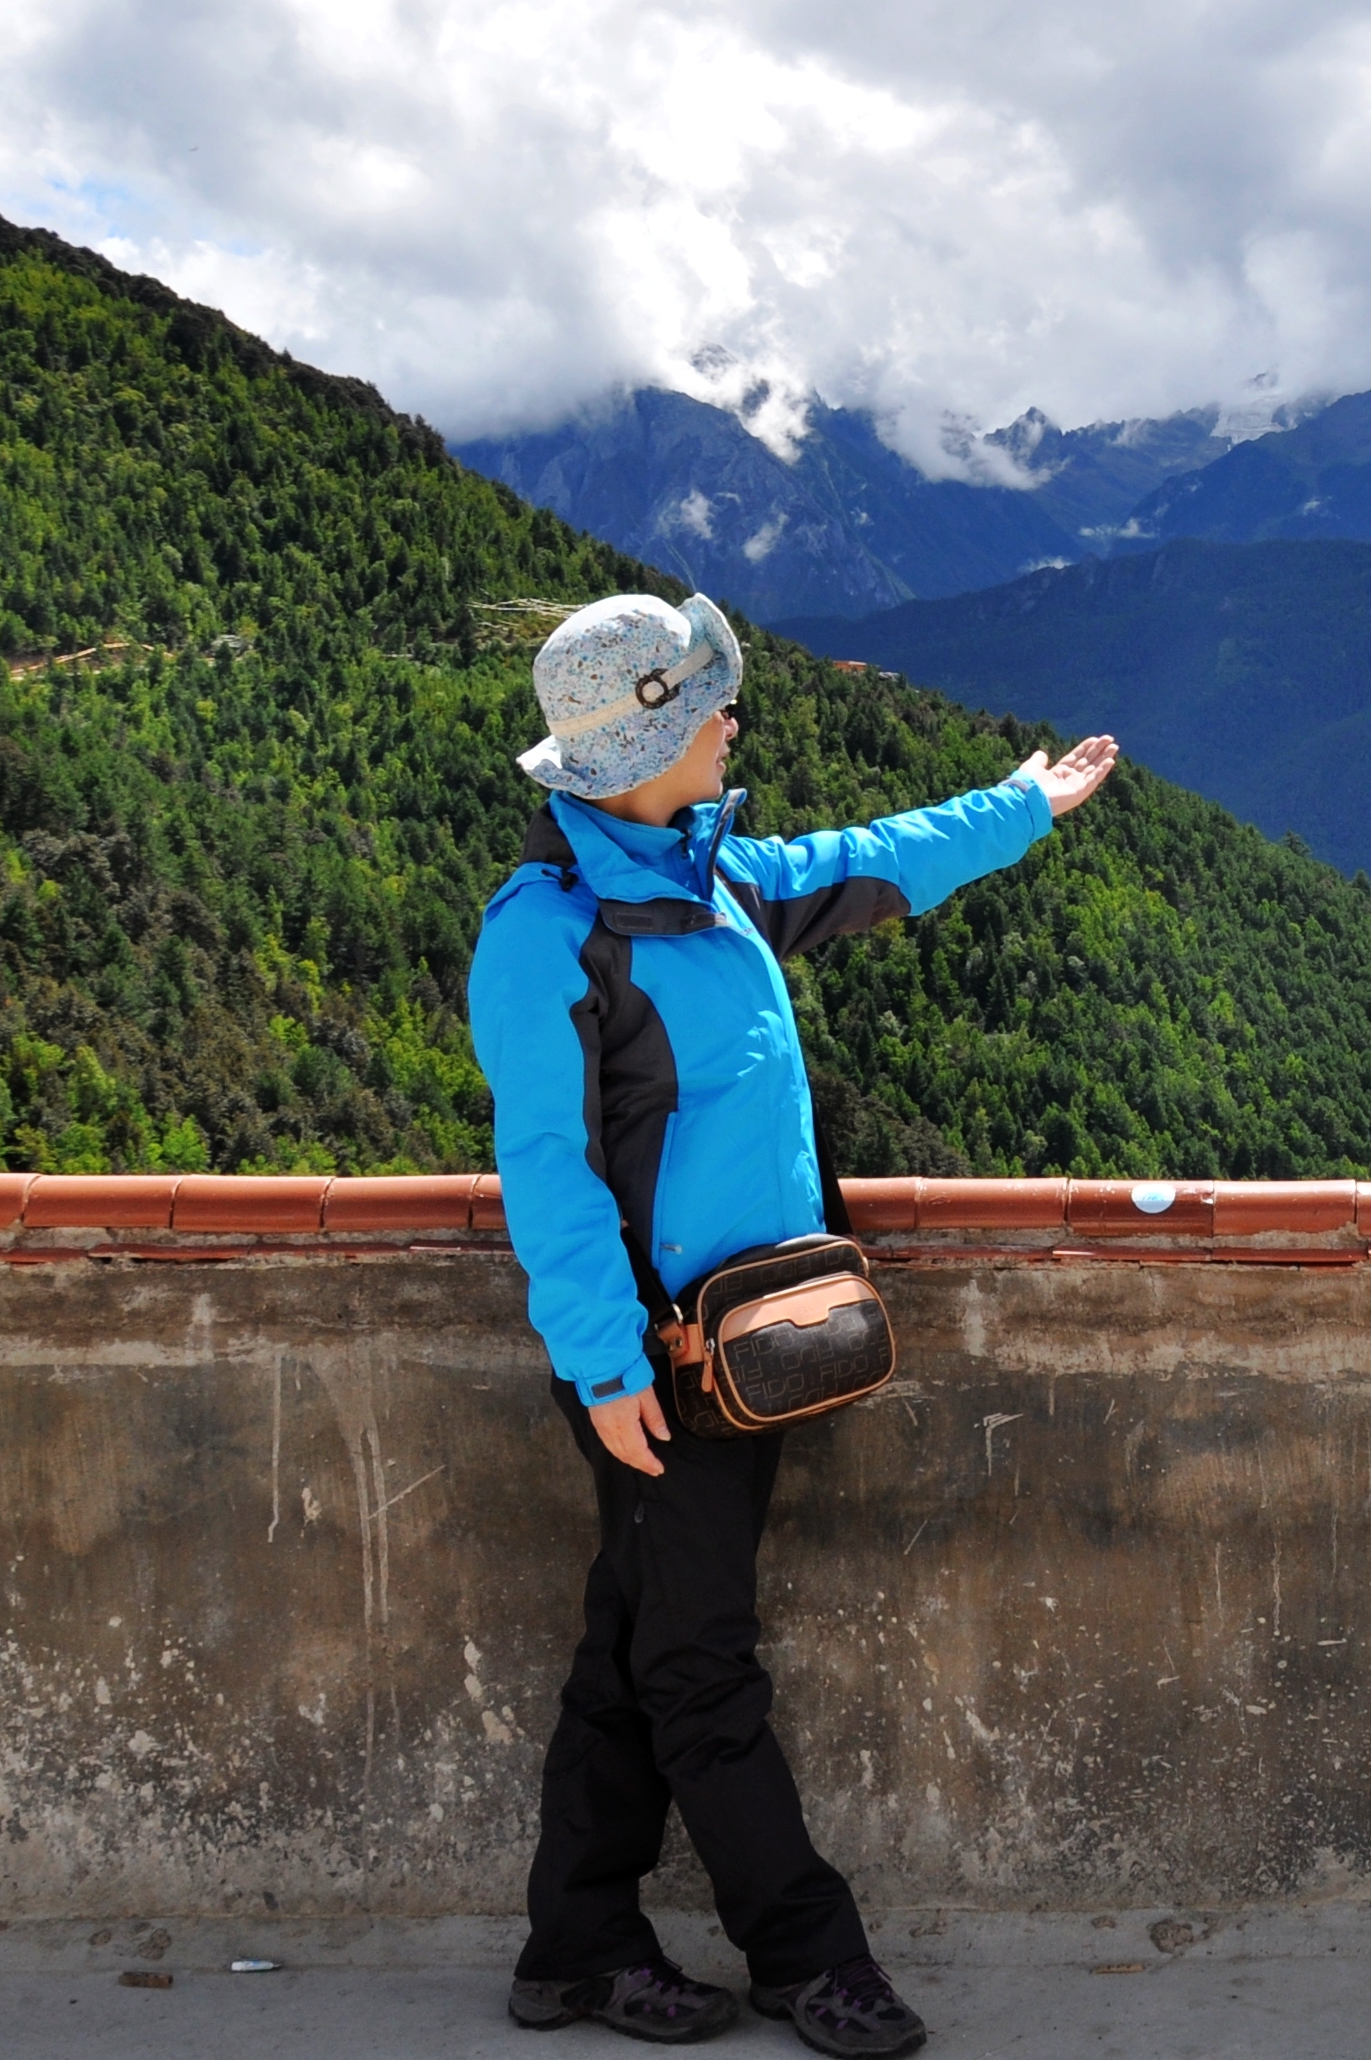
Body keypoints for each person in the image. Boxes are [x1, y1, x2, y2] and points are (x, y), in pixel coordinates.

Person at [469, 592, 1116, 2054]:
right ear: (644, 743)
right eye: (707, 706)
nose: (731, 723)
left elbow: (872, 862)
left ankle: (574, 1944)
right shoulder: (548, 939)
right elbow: (548, 1176)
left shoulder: (714, 880)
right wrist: (604, 1369)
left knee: (634, 1637)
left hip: (735, 1348)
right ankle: (808, 1952)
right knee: (696, 1660)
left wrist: (1025, 805)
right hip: (656, 1368)